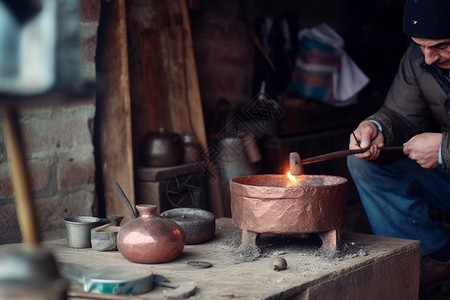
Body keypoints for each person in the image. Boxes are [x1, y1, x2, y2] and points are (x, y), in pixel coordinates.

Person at [347, 0, 450, 294]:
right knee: (363, 161)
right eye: (421, 46)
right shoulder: (420, 57)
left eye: (441, 46)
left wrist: (444, 148)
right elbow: (401, 114)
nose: (428, 58)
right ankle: (431, 258)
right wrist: (376, 127)